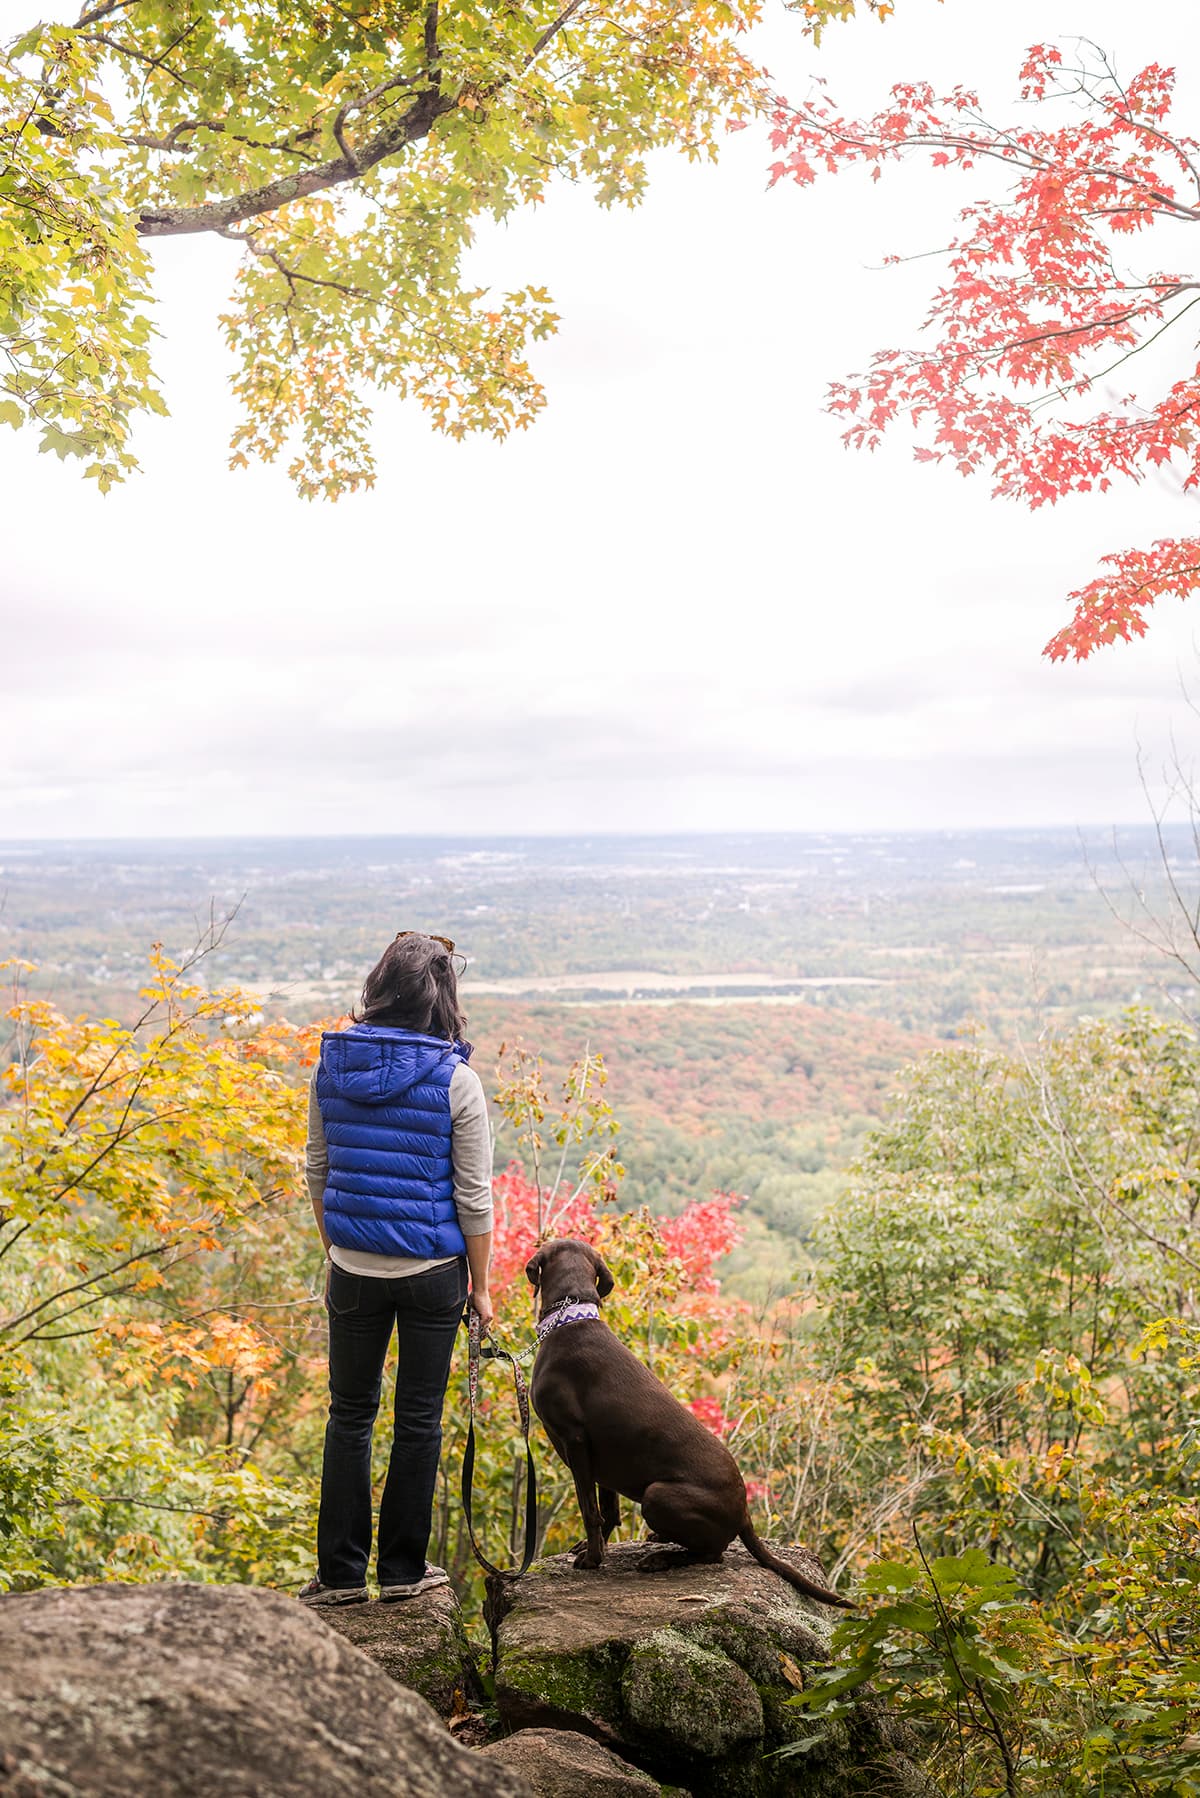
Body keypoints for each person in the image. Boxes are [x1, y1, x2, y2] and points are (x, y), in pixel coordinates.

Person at [298, 931, 494, 1606]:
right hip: (434, 1273)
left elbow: (317, 1172)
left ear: (378, 988)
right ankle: (405, 1574)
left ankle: (341, 1577)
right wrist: (485, 1290)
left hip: (352, 1271)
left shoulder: (331, 1067)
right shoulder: (457, 1081)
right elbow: (474, 1199)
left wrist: (338, 1249)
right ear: (443, 998)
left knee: (349, 1416)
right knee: (419, 1420)